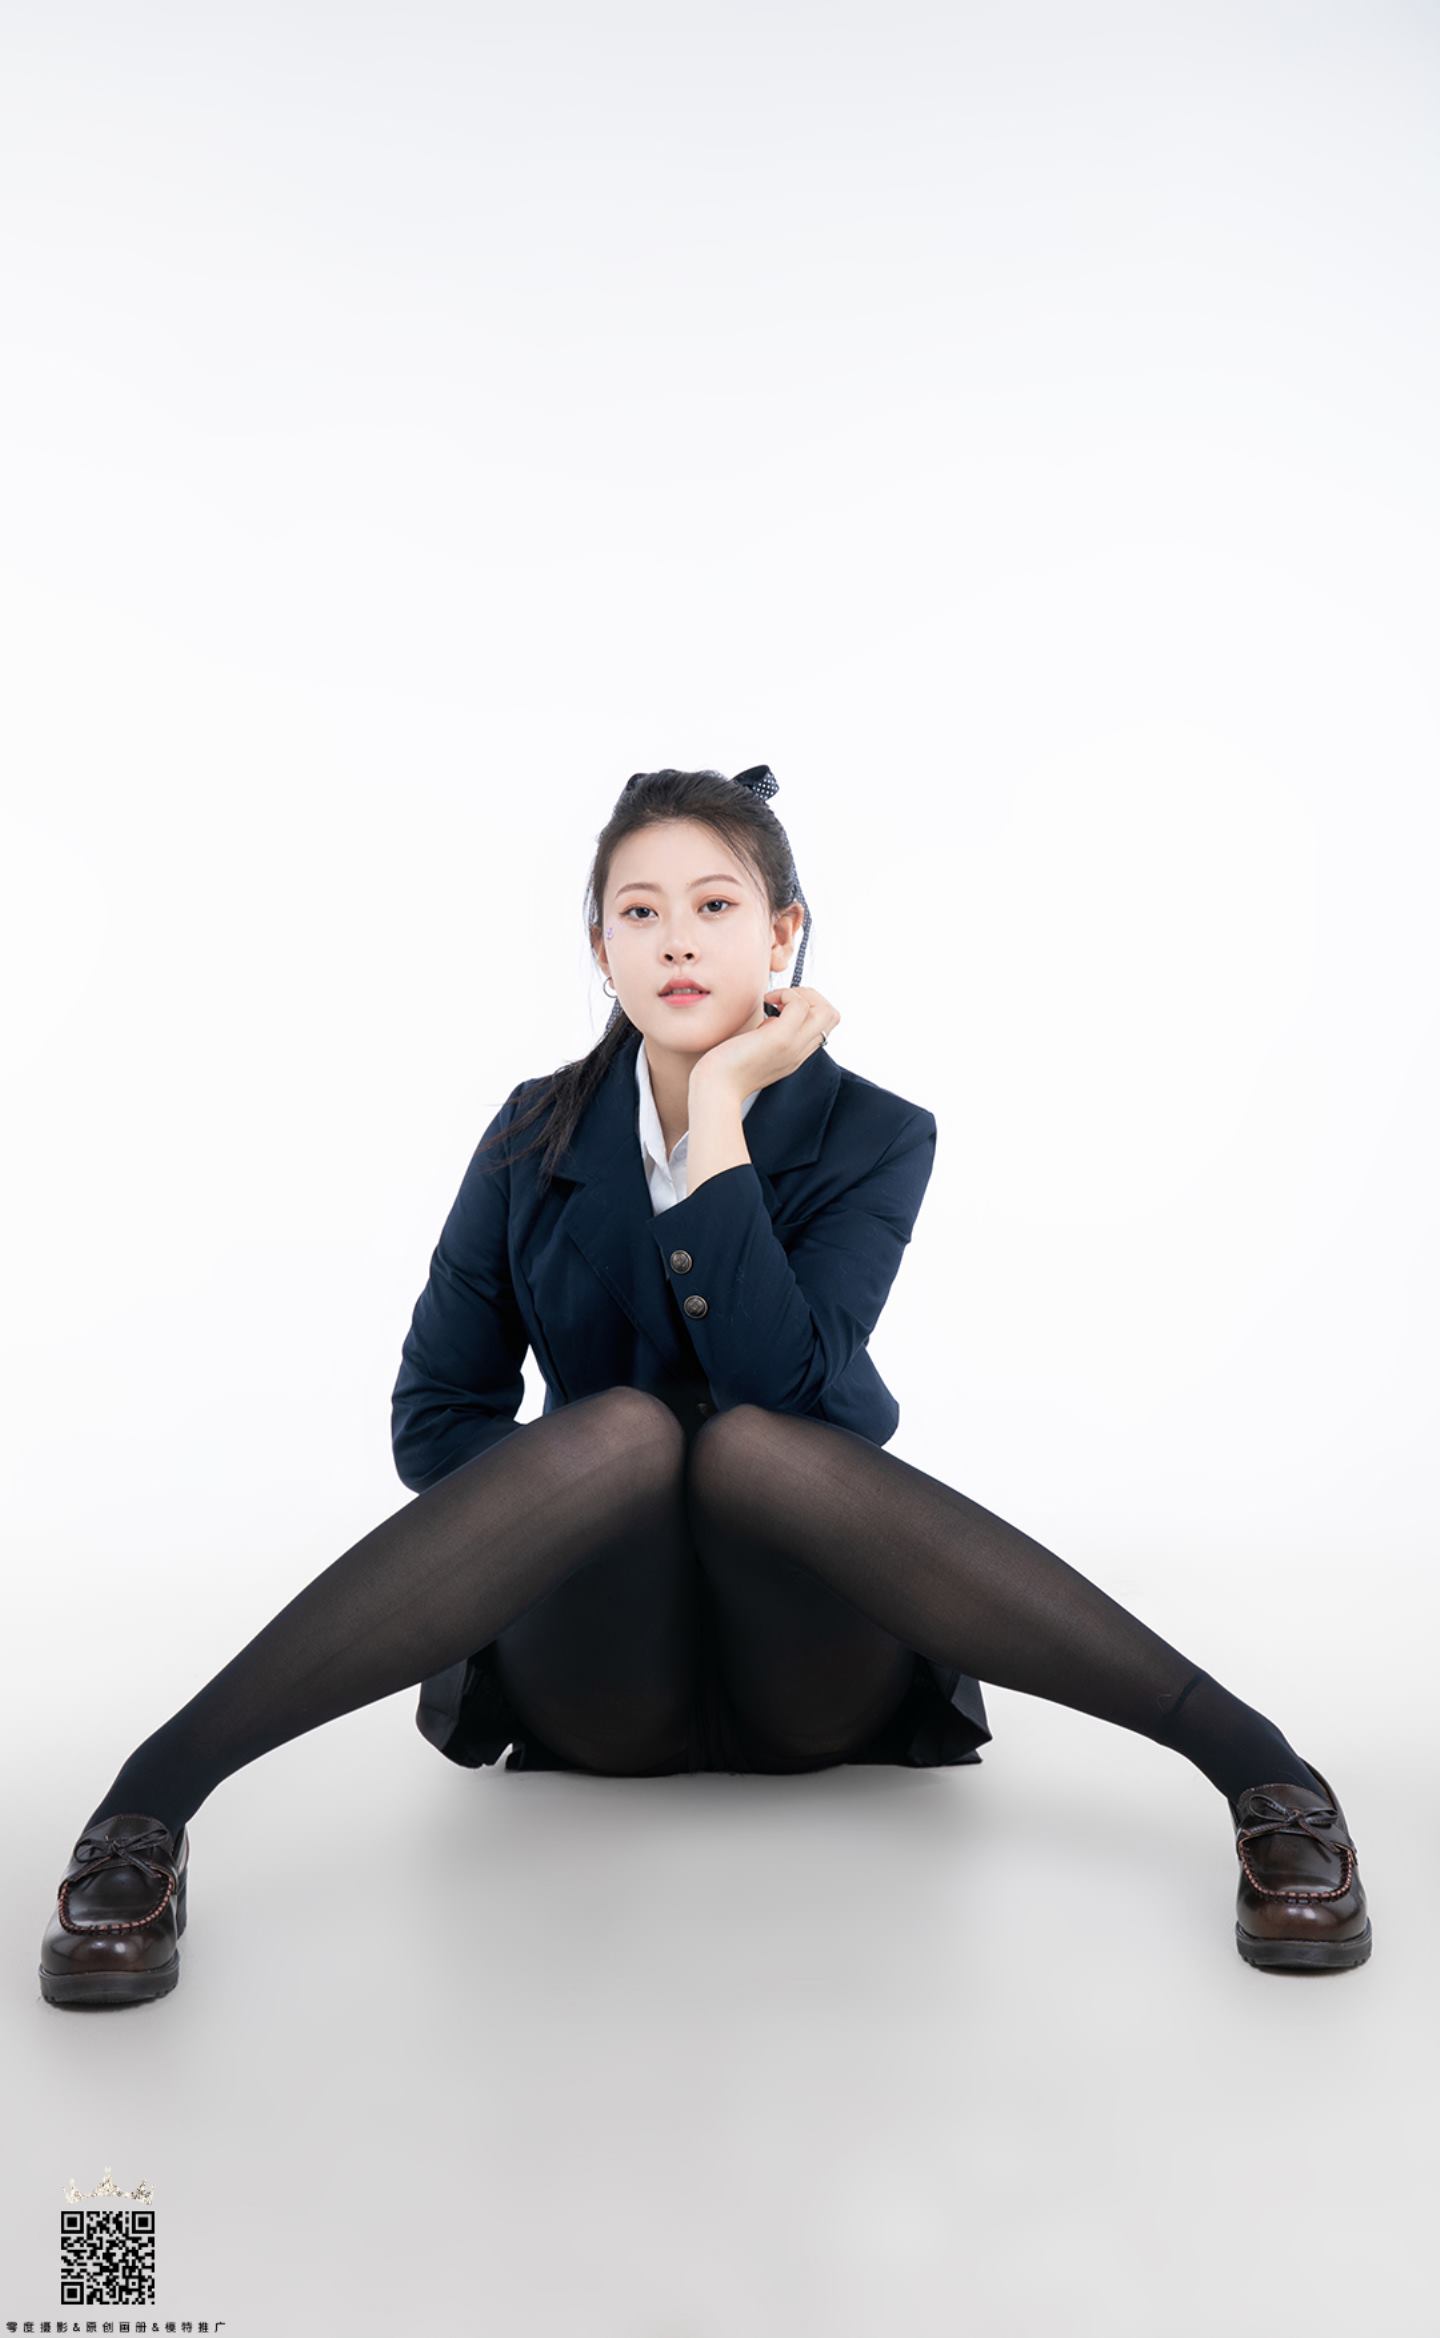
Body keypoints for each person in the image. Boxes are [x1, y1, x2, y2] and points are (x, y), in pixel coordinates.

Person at [39, 765, 1371, 2007]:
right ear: (600, 947)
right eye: (641, 911)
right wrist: (574, 1501)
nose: (677, 940)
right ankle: (150, 1802)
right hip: (598, 1677)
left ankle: (1263, 1770)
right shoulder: (530, 1132)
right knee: (625, 1435)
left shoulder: (876, 1135)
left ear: (783, 933)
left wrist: (722, 1110)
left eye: (716, 907)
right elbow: (434, 1420)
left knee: (745, 1445)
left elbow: (795, 1392)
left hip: (813, 1665)